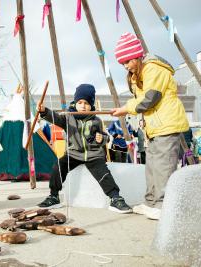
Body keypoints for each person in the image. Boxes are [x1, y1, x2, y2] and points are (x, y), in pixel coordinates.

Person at [111, 33, 189, 220]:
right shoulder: (138, 74)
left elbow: (149, 99)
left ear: (137, 55)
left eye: (128, 61)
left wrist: (125, 109)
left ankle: (163, 205)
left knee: (163, 167)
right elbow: (140, 99)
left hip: (167, 125)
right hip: (154, 128)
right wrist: (126, 107)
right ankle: (151, 202)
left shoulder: (154, 69)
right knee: (152, 167)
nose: (126, 66)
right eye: (123, 63)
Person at [37, 84, 132, 214]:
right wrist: (44, 111)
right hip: (73, 154)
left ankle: (115, 198)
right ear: (75, 103)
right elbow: (55, 118)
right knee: (58, 166)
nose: (83, 105)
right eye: (80, 102)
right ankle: (54, 196)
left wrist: (101, 139)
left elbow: (105, 137)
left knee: (104, 174)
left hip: (93, 155)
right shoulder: (68, 117)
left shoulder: (96, 120)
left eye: (86, 103)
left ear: (91, 105)